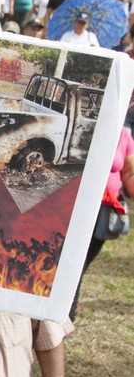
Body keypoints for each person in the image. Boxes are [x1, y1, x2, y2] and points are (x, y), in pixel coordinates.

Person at [70, 127, 134, 320]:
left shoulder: (123, 134)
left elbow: (129, 173)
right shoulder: (83, 126)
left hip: (104, 212)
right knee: (72, 264)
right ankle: (67, 315)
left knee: (82, 263)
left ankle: (67, 309)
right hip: (74, 208)